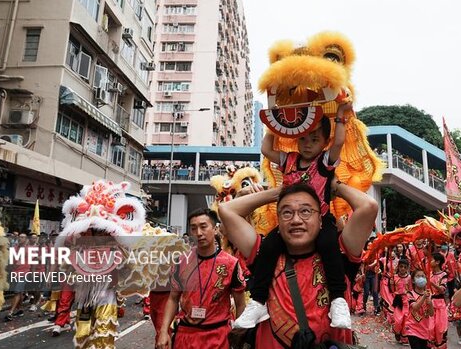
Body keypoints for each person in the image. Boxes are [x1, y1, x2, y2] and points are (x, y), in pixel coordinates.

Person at [219, 180, 378, 348]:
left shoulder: (339, 254)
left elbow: (369, 206)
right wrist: (276, 193)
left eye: (305, 211)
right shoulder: (264, 255)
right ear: (278, 221)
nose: (296, 220)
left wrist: (334, 186)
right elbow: (227, 210)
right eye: (287, 213)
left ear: (320, 219)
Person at [236, 103, 352, 329]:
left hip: (320, 220)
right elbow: (266, 149)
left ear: (324, 142)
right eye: (304, 138)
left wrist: (340, 116)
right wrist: (274, 121)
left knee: (329, 245)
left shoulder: (324, 163)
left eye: (315, 139)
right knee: (269, 247)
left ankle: (338, 300)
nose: (308, 144)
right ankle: (258, 301)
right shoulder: (288, 160)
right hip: (289, 223)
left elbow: (339, 142)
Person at [156, 209, 246, 349]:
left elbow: (240, 303)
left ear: (215, 229)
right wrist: (163, 331)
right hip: (185, 337)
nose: (198, 233)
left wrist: (239, 333)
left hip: (218, 337)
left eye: (203, 227)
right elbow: (173, 298)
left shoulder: (230, 264)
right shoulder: (181, 262)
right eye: (193, 228)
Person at [403, 268, 433, 349]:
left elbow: (431, 313)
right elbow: (415, 307)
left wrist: (430, 304)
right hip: (412, 328)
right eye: (418, 276)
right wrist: (424, 297)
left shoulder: (429, 294)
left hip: (425, 329)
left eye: (423, 276)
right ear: (413, 280)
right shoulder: (410, 294)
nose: (421, 278)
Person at [429, 252, 448, 349]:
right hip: (430, 303)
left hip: (440, 304)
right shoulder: (429, 273)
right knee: (430, 328)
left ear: (437, 262)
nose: (429, 261)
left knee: (440, 329)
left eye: (431, 259)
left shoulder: (443, 275)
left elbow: (442, 290)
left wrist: (431, 283)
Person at [390, 258, 411, 345]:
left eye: (405, 267)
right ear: (398, 267)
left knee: (406, 319)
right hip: (398, 301)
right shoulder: (394, 277)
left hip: (406, 301)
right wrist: (391, 283)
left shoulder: (409, 278)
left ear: (407, 268)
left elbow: (410, 289)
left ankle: (404, 338)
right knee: (398, 319)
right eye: (401, 266)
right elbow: (392, 290)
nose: (402, 268)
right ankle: (397, 332)